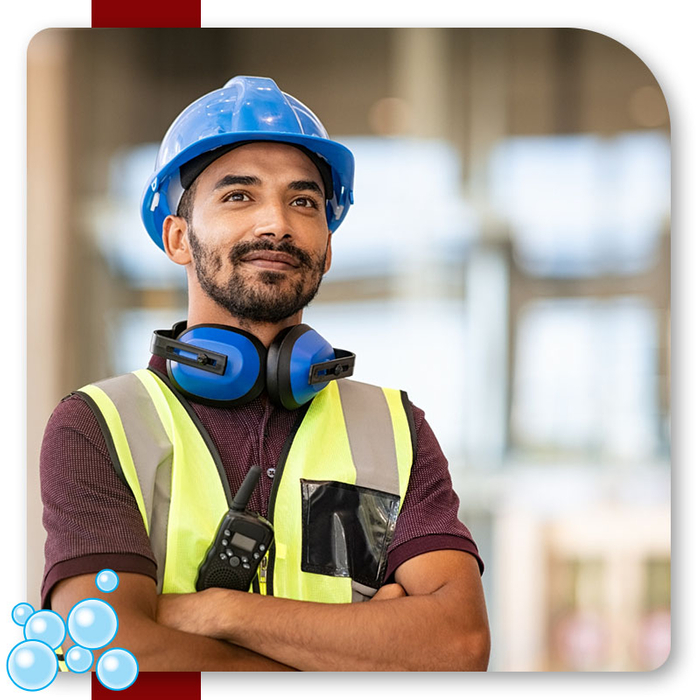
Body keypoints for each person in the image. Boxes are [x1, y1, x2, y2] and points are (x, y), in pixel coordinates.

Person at [40, 76, 490, 672]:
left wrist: (219, 611)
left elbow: (458, 647)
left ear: (327, 246)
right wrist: (361, 652)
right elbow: (110, 652)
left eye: (303, 201)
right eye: (238, 197)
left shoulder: (396, 430)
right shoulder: (98, 425)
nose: (274, 223)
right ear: (179, 238)